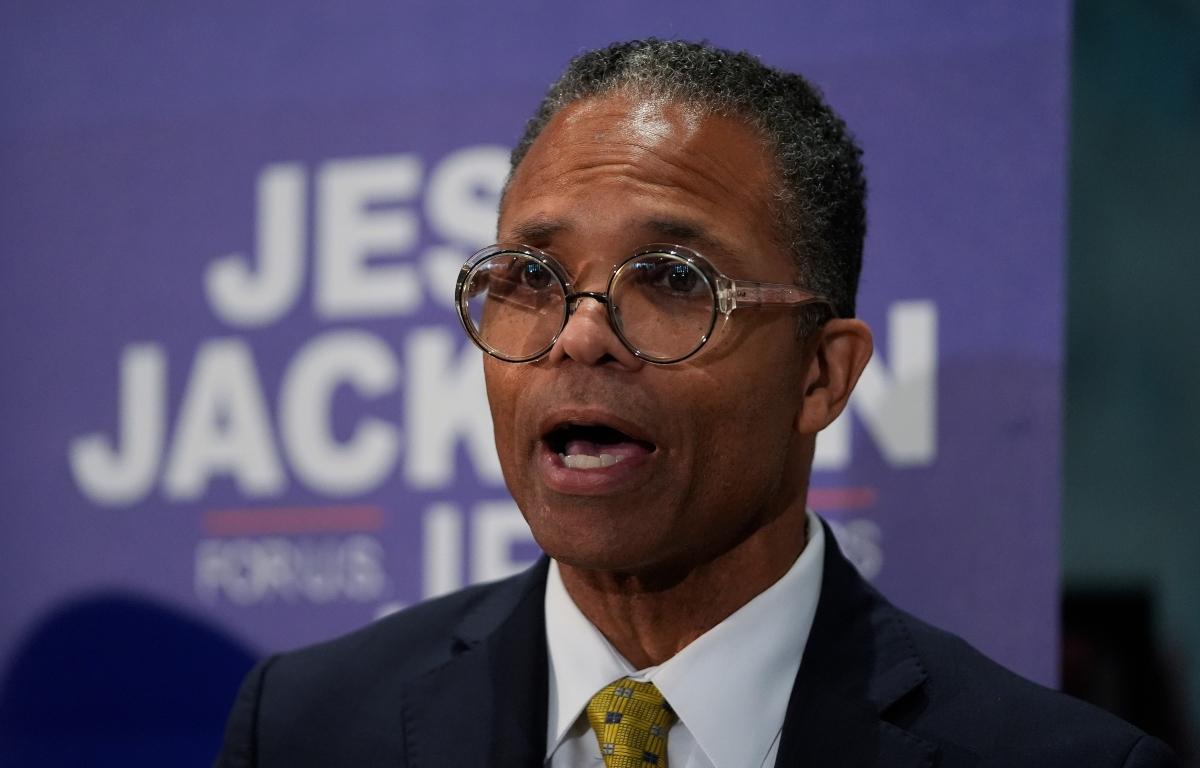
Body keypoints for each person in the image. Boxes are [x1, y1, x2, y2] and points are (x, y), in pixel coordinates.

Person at [216, 39, 1178, 767]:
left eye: (673, 279)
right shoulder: (307, 725)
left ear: (821, 377)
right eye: (533, 274)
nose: (579, 333)